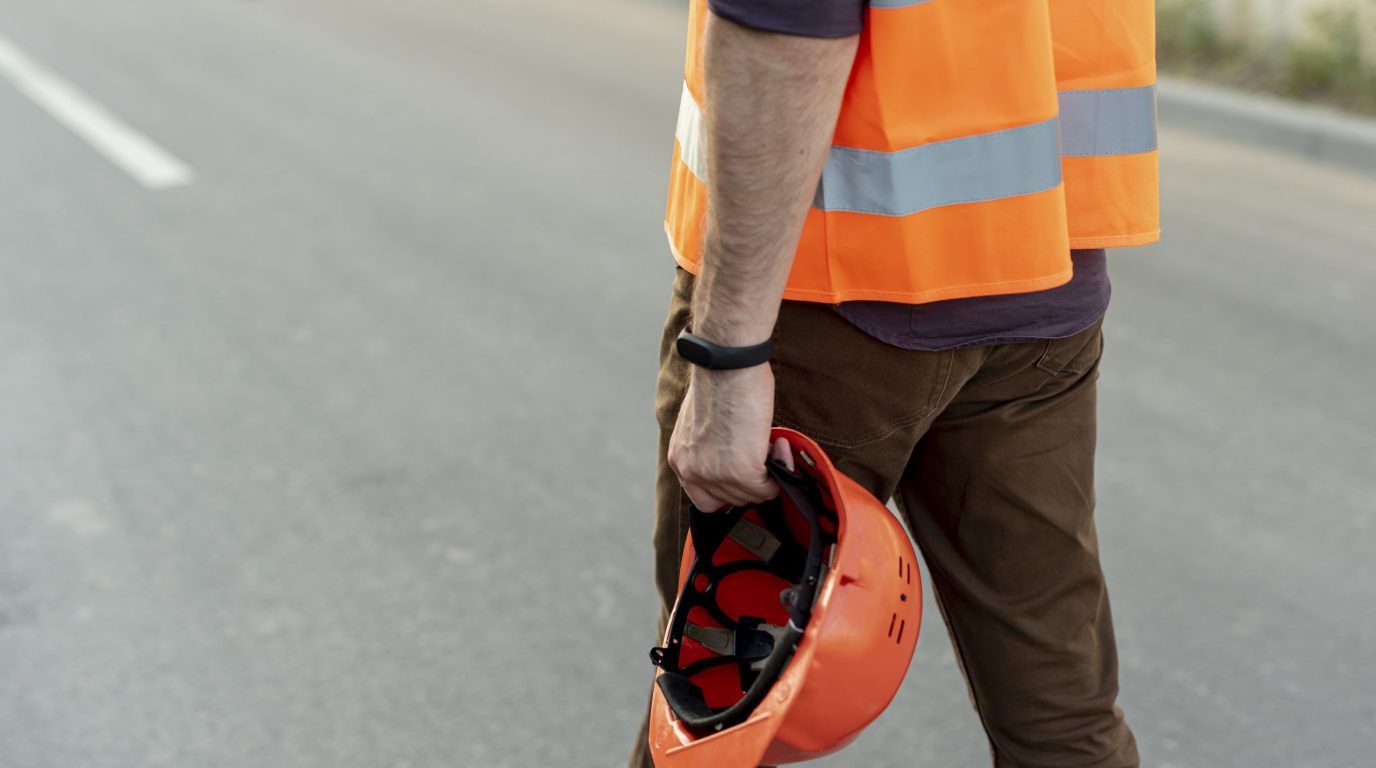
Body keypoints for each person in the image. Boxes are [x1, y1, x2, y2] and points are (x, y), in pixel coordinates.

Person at [633, 1, 1158, 766]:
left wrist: (728, 355)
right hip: (1041, 274)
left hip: (828, 301)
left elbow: (785, 24)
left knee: (720, 715)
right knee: (1060, 718)